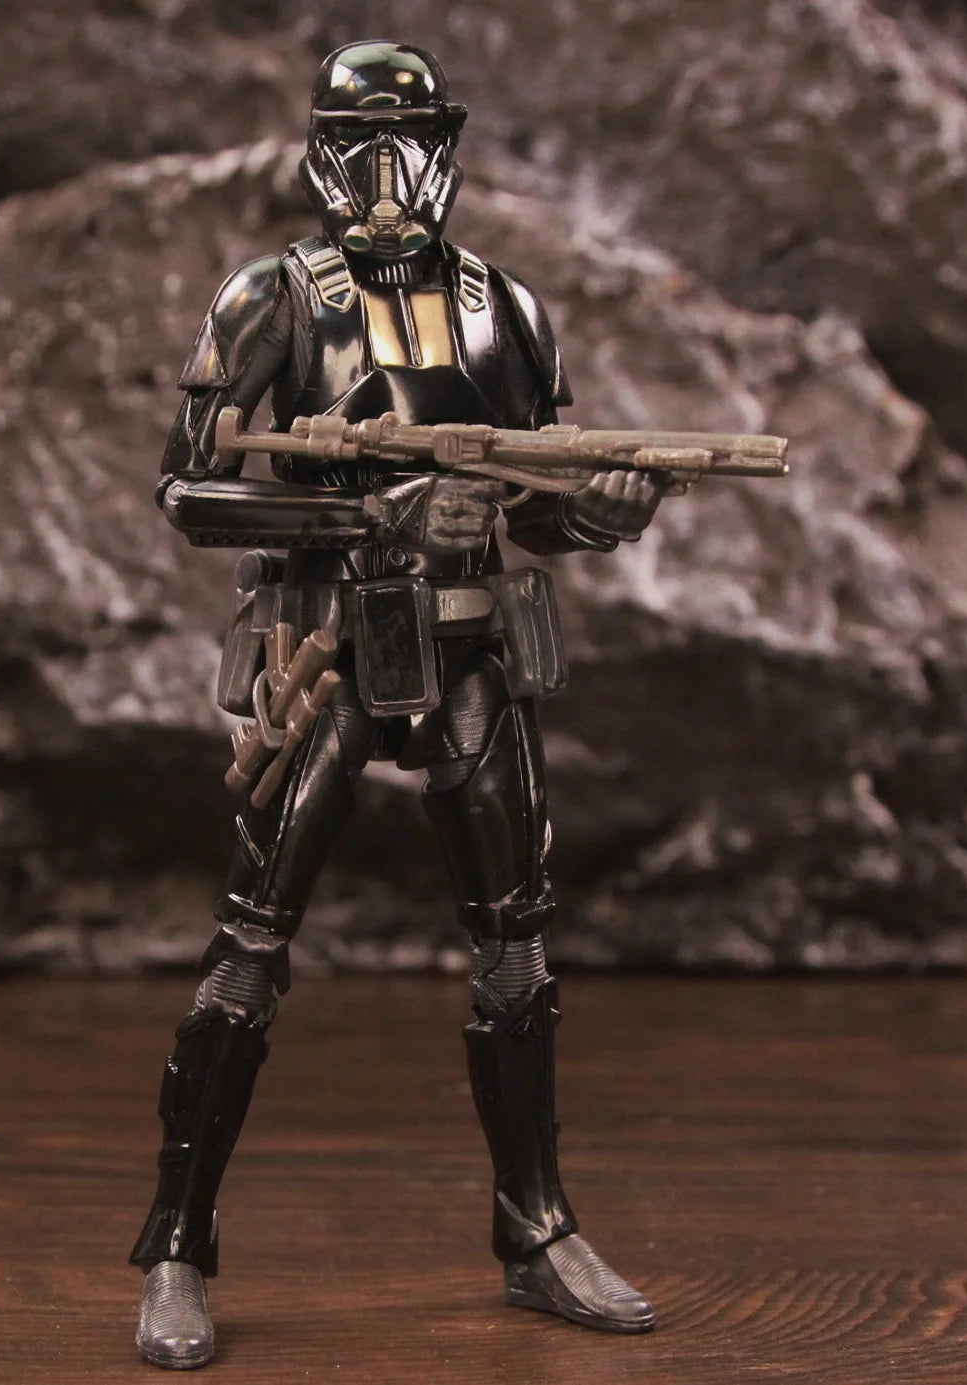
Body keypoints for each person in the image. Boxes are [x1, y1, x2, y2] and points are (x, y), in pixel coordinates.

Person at [131, 40, 667, 1369]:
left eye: (409, 144)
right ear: (318, 153)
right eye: (357, 144)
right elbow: (191, 491)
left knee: (516, 950)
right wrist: (368, 513)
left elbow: (541, 492)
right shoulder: (273, 297)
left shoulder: (506, 309)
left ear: (447, 148)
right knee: (249, 947)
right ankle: (178, 1243)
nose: (385, 172)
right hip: (319, 645)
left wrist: (599, 513)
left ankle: (537, 1227)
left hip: (471, 644)